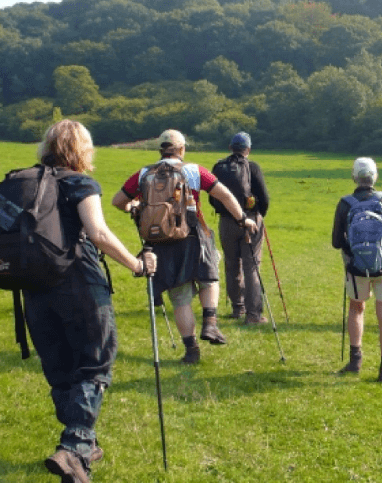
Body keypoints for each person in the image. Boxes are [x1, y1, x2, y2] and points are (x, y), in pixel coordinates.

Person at [23, 120, 157, 483]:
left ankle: (83, 446)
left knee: (61, 369)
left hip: (34, 289)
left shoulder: (27, 182)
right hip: (79, 284)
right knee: (95, 364)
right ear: (82, 150)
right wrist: (136, 264)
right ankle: (75, 447)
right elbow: (97, 232)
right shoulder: (79, 182)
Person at [112, 129, 257, 364]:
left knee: (179, 297)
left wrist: (134, 208)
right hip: (193, 235)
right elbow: (226, 196)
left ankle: (191, 351)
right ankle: (210, 323)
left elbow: (118, 201)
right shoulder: (193, 171)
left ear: (161, 150)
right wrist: (243, 219)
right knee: (209, 277)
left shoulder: (143, 174)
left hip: (160, 243)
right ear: (182, 149)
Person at [332, 157, 382, 383]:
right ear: (374, 177)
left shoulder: (345, 203)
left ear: (354, 177)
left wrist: (354, 254)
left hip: (355, 268)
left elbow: (336, 241)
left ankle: (355, 361)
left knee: (357, 309)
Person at [210, 132, 270, 324]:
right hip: (250, 221)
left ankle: (238, 308)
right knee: (251, 267)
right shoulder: (252, 167)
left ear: (230, 148)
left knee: (231, 265)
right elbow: (265, 198)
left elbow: (213, 197)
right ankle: (253, 315)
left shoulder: (219, 167)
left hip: (227, 222)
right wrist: (258, 215)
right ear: (248, 149)